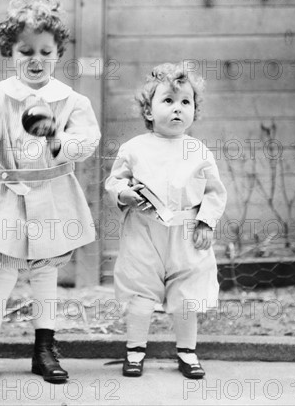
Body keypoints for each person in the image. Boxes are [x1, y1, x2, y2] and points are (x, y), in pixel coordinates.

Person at [0, 0, 100, 386]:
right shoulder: (1, 95)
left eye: (45, 51)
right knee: (2, 275)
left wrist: (58, 135)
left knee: (45, 277)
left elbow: (87, 141)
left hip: (53, 195)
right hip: (8, 196)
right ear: (10, 52)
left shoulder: (71, 100)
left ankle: (44, 350)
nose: (36, 59)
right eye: (26, 51)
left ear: (58, 53)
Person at [105, 62, 226, 379]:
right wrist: (124, 194)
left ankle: (187, 352)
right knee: (140, 291)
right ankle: (135, 351)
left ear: (194, 111)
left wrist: (205, 221)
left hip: (186, 232)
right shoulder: (134, 149)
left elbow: (214, 192)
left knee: (187, 294)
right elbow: (115, 182)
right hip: (143, 230)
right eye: (168, 101)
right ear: (148, 110)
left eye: (186, 102)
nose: (178, 109)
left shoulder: (198, 151)